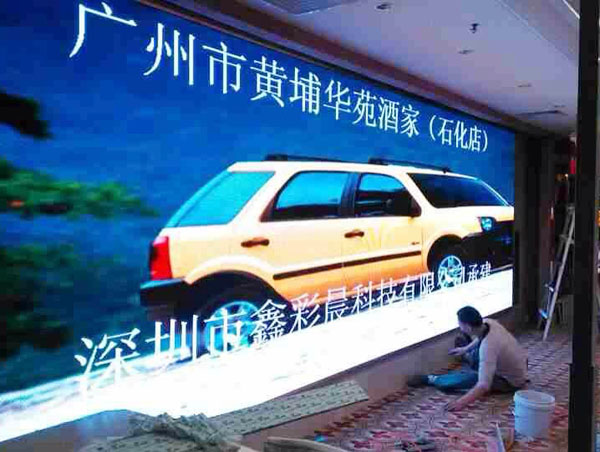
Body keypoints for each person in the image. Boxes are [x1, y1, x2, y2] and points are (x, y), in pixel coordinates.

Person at [407, 306, 528, 412]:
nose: (460, 328)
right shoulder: (489, 322)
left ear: (468, 327)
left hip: (510, 382)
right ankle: (469, 356)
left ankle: (432, 379)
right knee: (478, 356)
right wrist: (465, 349)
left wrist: (461, 402)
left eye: (460, 325)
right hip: (520, 367)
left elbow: (484, 385)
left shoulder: (488, 347)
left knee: (470, 378)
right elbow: (481, 338)